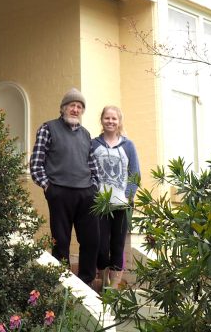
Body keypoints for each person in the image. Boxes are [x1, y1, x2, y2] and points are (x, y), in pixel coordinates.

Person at [29, 88, 99, 286]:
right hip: (59, 192)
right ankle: (61, 284)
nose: (75, 109)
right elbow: (36, 163)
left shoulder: (86, 135)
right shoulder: (48, 128)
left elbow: (93, 165)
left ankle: (86, 283)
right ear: (63, 108)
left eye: (79, 107)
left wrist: (94, 187)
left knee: (91, 241)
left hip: (86, 193)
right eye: (72, 105)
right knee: (61, 241)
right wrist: (48, 187)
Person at [91, 105, 140, 291]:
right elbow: (88, 172)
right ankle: (103, 284)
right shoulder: (94, 145)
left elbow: (135, 174)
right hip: (100, 205)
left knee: (117, 246)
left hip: (122, 206)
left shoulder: (128, 145)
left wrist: (128, 197)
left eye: (114, 118)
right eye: (107, 118)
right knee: (101, 246)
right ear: (102, 120)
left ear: (119, 121)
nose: (110, 121)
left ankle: (113, 288)